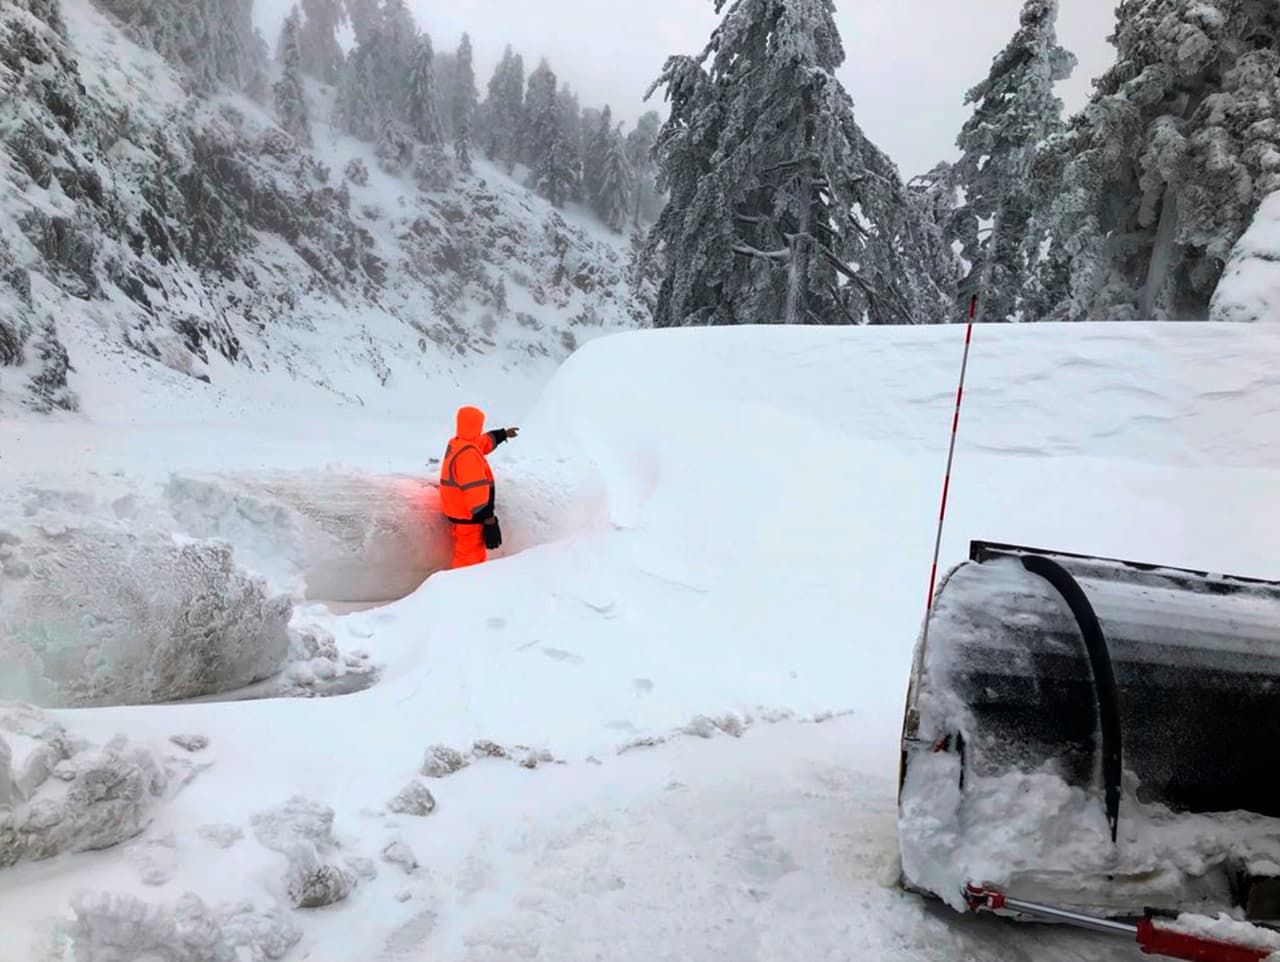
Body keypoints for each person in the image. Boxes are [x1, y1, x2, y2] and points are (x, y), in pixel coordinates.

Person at [439, 405, 519, 569]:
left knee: (468, 554)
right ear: (477, 425)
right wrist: (488, 520)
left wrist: (502, 434)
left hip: (459, 512)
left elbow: (483, 442)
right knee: (470, 559)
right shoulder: (468, 456)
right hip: (469, 517)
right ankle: (463, 589)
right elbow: (475, 491)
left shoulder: (459, 442)